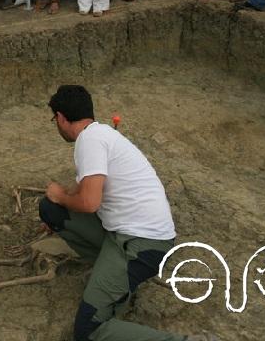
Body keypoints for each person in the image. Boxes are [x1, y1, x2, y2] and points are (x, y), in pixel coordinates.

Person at [40, 85, 217, 341]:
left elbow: (89, 203)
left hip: (141, 245)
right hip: (133, 236)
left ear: (60, 117)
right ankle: (113, 280)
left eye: (54, 119)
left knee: (89, 331)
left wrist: (60, 196)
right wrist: (60, 201)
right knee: (51, 209)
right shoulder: (99, 134)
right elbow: (83, 190)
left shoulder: (88, 141)